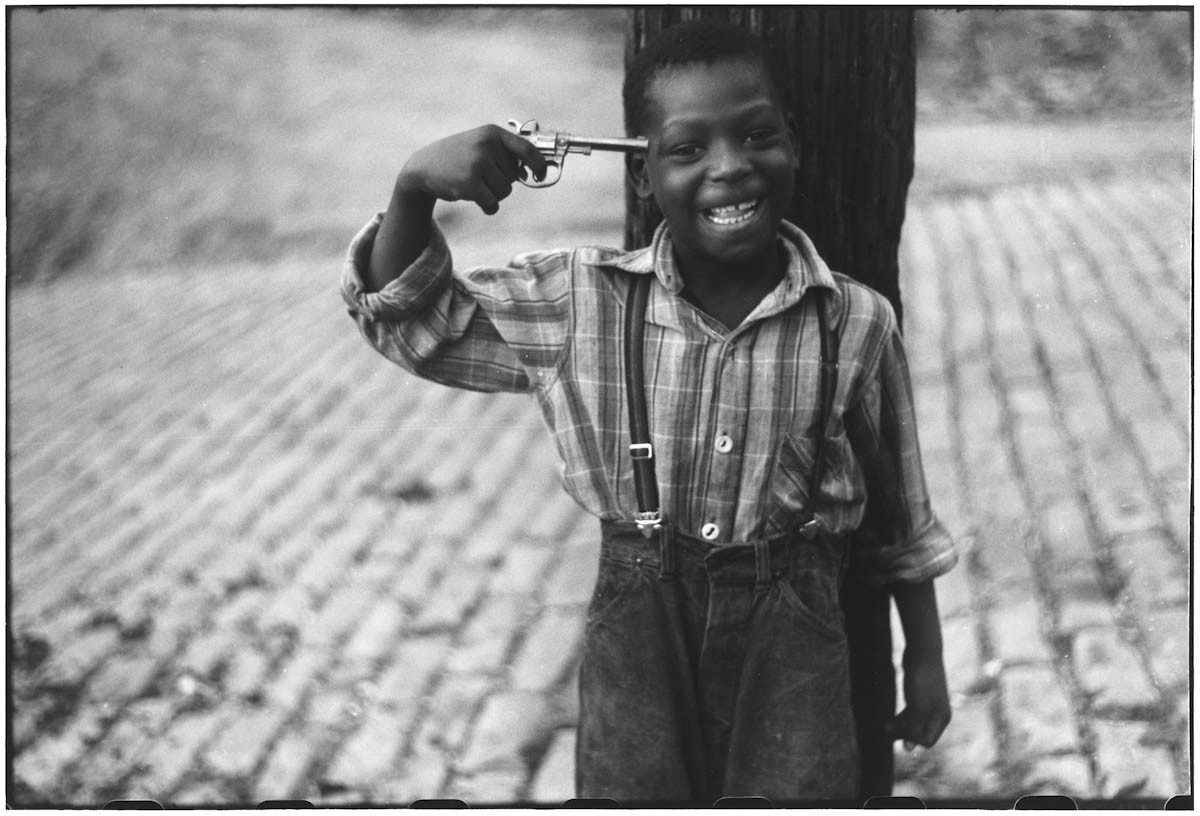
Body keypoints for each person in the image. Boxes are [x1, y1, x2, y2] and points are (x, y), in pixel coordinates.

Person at [341, 18, 956, 805]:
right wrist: (414, 188)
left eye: (756, 135)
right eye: (689, 149)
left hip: (796, 654)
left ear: (793, 145)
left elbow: (900, 518)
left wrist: (926, 661)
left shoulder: (856, 322)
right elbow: (415, 321)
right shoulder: (584, 305)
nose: (730, 168)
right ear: (643, 177)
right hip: (639, 651)